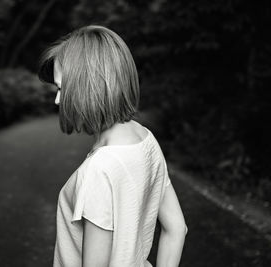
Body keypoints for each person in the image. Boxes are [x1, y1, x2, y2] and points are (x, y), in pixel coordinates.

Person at [38, 25, 187, 267]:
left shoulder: (99, 170)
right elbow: (177, 228)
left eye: (62, 88)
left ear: (88, 86)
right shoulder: (145, 139)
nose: (57, 100)